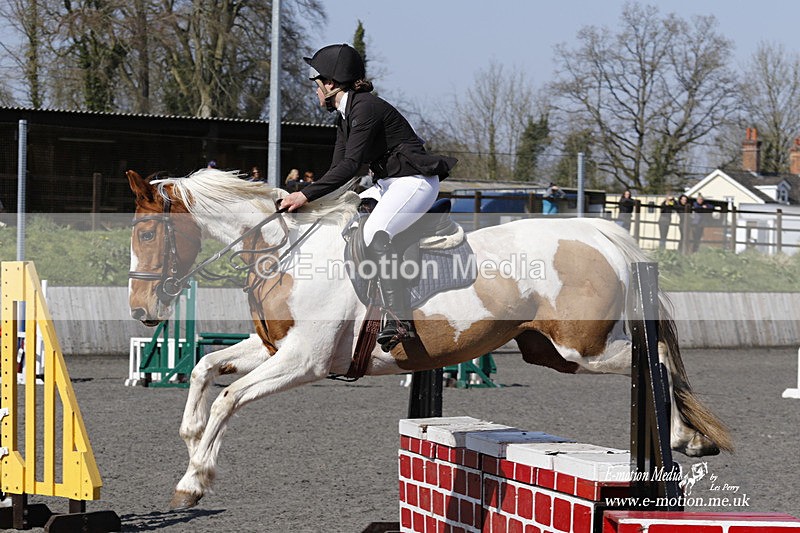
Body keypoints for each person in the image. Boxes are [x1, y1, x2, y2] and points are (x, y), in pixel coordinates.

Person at [279, 43, 457, 352]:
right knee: (347, 219)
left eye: (317, 82)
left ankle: (400, 319)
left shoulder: (364, 108)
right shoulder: (345, 115)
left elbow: (350, 166)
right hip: (390, 183)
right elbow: (338, 168)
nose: (316, 90)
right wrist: (305, 199)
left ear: (331, 84)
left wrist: (305, 195)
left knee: (376, 232)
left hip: (414, 182)